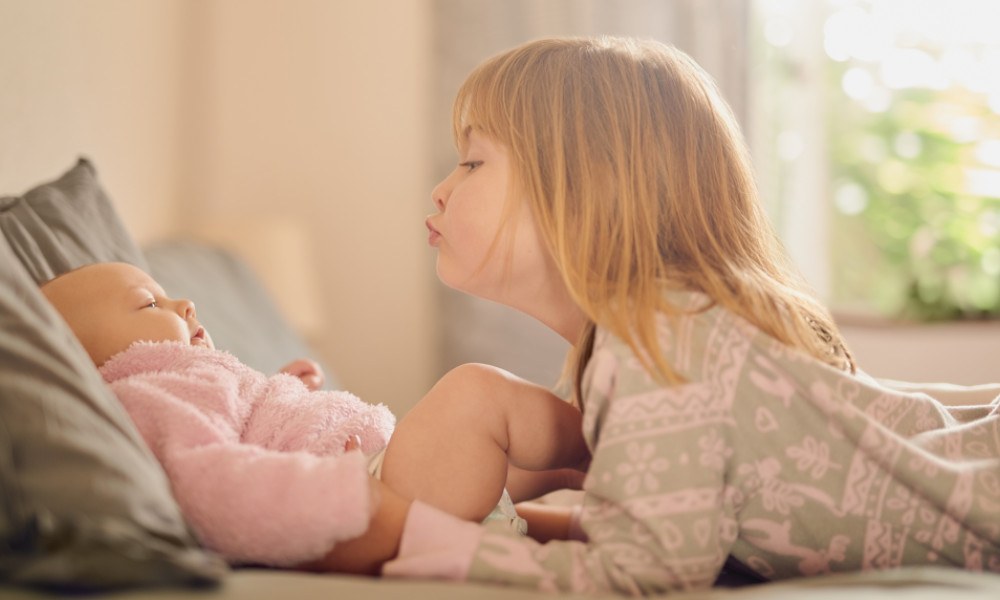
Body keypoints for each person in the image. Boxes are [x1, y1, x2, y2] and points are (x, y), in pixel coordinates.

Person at [379, 36, 1000, 594]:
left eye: (472, 162)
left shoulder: (665, 341)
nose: (440, 188)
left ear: (582, 191)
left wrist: (426, 542)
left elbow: (643, 575)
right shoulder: (636, 343)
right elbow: (645, 528)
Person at [39, 261, 589, 572]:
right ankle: (598, 437)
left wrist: (281, 390)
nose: (185, 304)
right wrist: (346, 496)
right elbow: (210, 483)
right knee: (474, 396)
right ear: (84, 360)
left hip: (385, 475)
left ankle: (580, 519)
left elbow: (247, 429)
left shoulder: (187, 379)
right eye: (148, 304)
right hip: (369, 500)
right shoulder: (147, 393)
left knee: (493, 470)